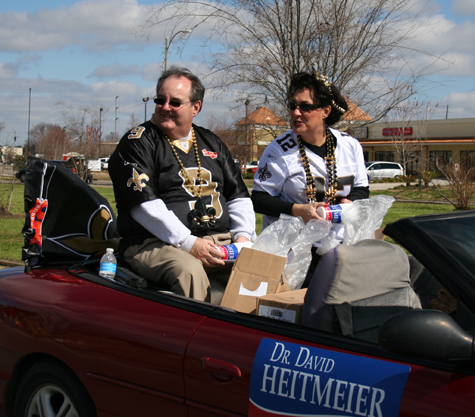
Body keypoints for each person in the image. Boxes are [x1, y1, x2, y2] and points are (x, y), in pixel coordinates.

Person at [108, 67, 256, 301]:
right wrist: (188, 242)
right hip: (153, 244)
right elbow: (144, 206)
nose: (165, 107)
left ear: (196, 107)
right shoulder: (138, 142)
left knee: (264, 268)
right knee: (190, 272)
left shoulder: (211, 141)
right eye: (160, 100)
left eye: (175, 102)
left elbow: (238, 195)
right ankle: (202, 337)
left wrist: (243, 238)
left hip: (218, 240)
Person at [251, 71, 369, 283]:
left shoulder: (349, 145)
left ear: (325, 111)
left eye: (305, 107)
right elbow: (259, 199)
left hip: (340, 244)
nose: (296, 113)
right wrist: (298, 210)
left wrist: (346, 205)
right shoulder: (278, 151)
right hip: (294, 250)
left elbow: (361, 188)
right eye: (292, 105)